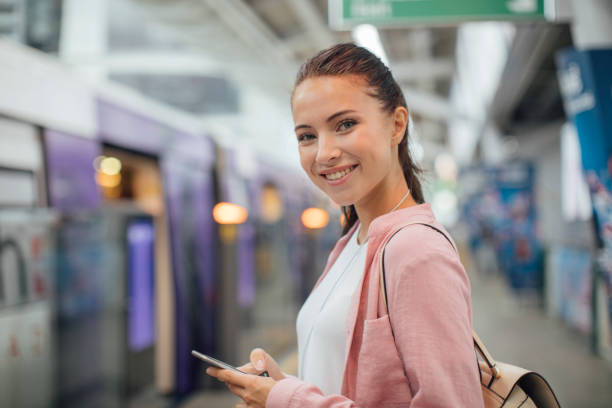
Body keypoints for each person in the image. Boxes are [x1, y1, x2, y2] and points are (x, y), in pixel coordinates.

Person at [206, 43, 484, 407]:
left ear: (397, 125)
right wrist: (281, 386)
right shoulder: (353, 240)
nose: (324, 153)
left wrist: (290, 401)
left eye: (345, 125)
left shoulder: (416, 251)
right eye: (307, 136)